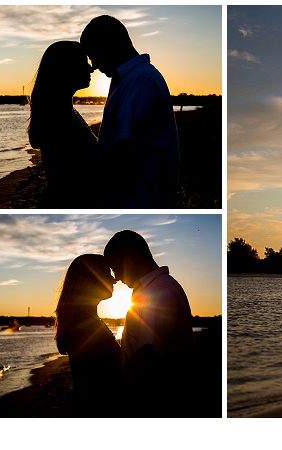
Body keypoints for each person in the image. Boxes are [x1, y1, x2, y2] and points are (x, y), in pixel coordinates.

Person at [81, 15, 180, 208]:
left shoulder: (140, 81)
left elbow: (124, 151)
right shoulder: (128, 80)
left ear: (108, 44)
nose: (93, 65)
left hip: (139, 201)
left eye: (93, 55)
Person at [104, 230, 195, 416]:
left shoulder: (159, 291)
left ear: (130, 257)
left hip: (157, 402)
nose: (117, 277)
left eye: (117, 269)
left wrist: (121, 391)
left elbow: (147, 355)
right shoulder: (150, 289)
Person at [28, 41, 103, 208]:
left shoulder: (64, 112)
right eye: (83, 62)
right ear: (67, 68)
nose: (91, 68)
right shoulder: (58, 118)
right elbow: (71, 179)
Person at [55, 254, 122, 417]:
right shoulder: (84, 325)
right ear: (91, 279)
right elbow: (97, 383)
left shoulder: (88, 319)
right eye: (107, 273)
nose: (114, 280)